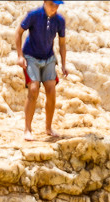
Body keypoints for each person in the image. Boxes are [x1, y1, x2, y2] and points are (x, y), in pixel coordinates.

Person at [15, 0, 69, 141]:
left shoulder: (59, 20)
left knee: (51, 90)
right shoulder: (33, 15)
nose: (55, 8)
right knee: (33, 89)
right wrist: (20, 56)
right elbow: (18, 32)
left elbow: (62, 44)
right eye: (52, 4)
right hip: (31, 57)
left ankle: (48, 128)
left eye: (57, 5)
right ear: (45, 2)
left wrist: (63, 65)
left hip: (48, 58)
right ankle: (27, 129)